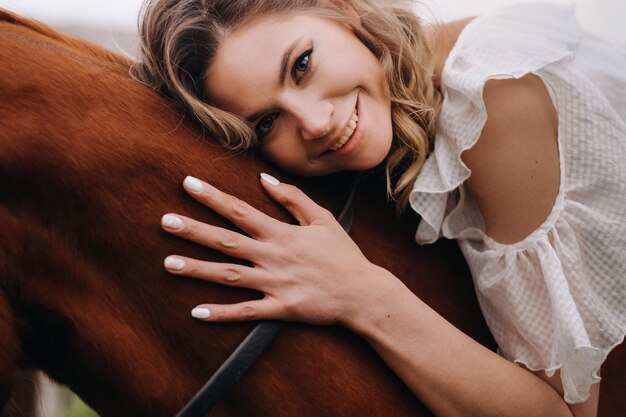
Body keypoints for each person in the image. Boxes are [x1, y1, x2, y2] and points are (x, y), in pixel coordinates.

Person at [132, 0, 626, 415]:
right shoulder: (409, 109)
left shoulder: (494, 94)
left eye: (301, 64)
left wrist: (359, 292)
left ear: (343, 12)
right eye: (265, 122)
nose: (315, 122)